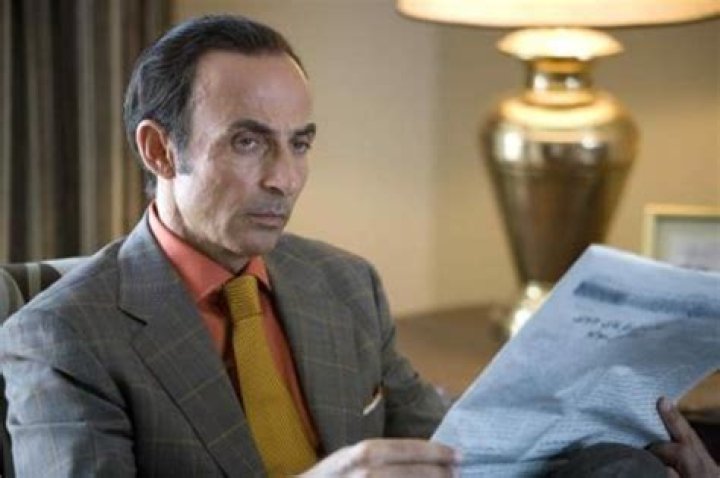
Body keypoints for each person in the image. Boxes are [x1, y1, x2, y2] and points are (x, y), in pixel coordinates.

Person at [0, 14, 716, 478]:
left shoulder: (343, 282)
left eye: (300, 144)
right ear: (159, 150)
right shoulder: (61, 336)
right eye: (248, 142)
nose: (284, 179)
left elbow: (454, 451)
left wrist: (616, 448)